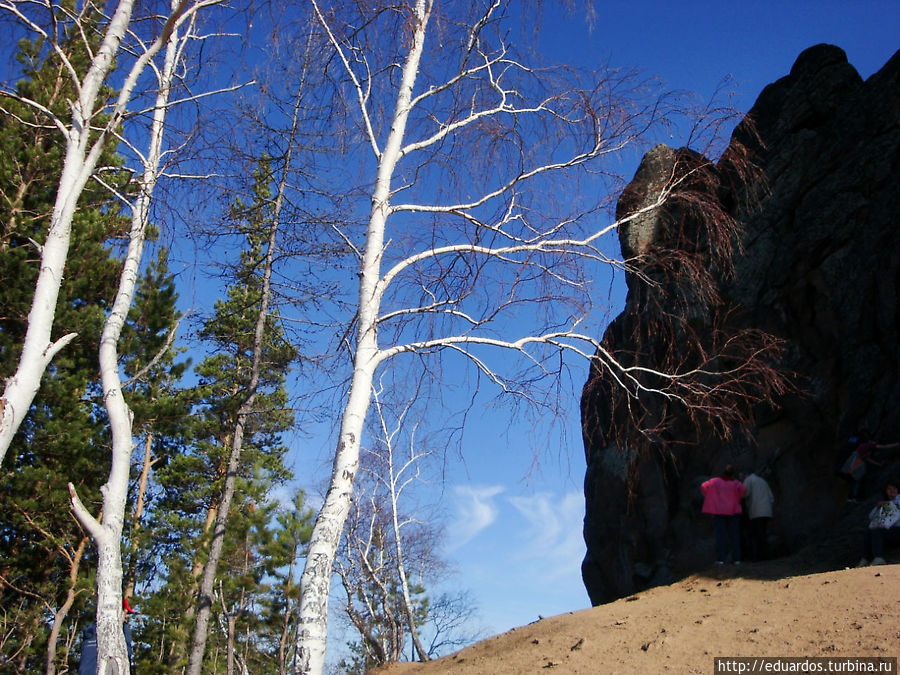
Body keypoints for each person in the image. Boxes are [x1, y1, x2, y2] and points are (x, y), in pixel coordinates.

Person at [702, 464, 747, 565]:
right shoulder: (736, 483)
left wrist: (710, 495)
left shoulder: (715, 481)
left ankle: (721, 559)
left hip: (719, 511)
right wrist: (737, 497)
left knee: (720, 536)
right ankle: (737, 559)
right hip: (733, 511)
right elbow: (743, 491)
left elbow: (703, 486)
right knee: (734, 535)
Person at [856, 480, 900, 567]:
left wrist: (885, 503)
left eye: (894, 488)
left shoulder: (897, 499)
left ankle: (879, 558)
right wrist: (879, 506)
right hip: (889, 529)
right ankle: (865, 559)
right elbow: (871, 516)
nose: (892, 491)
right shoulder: (884, 503)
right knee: (869, 532)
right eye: (889, 489)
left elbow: (897, 503)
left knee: (877, 531)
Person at [742, 470, 775, 561]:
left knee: (757, 535)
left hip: (756, 511)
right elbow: (771, 498)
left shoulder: (748, 480)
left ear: (745, 474)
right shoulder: (762, 481)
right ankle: (766, 555)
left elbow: (744, 494)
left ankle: (759, 556)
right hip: (767, 511)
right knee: (763, 534)